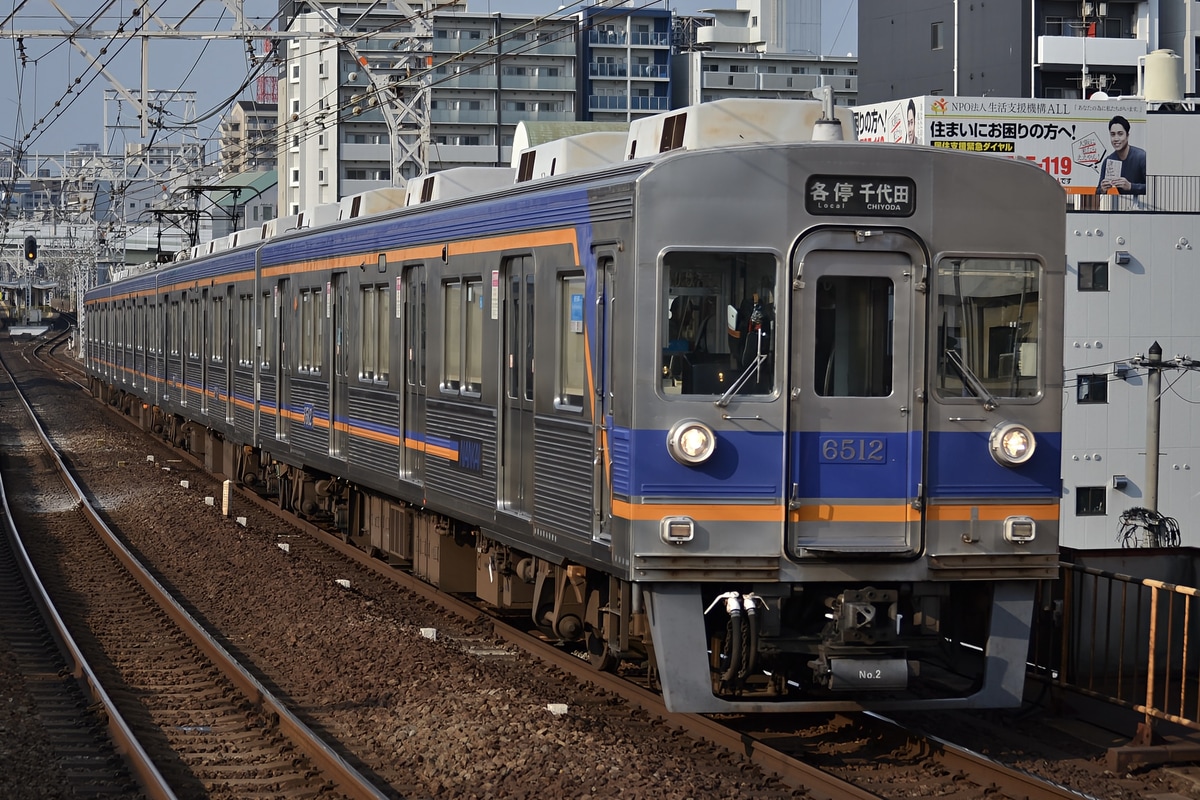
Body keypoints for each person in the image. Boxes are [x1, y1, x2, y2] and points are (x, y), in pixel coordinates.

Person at [1096, 115, 1146, 195]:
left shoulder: (1141, 157)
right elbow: (1097, 193)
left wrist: (1130, 186)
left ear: (1127, 135)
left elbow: (1154, 187)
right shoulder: (1108, 161)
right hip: (1121, 204)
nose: (1116, 139)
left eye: (1120, 134)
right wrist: (1102, 190)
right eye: (1113, 134)